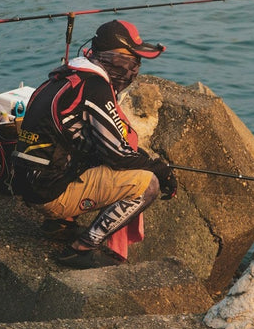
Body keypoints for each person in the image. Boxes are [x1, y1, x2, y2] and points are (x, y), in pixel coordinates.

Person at [12, 19, 177, 268]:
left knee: (98, 152)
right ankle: (81, 249)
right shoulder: (95, 87)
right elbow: (119, 155)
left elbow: (99, 143)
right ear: (111, 59)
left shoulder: (64, 76)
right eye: (130, 62)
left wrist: (144, 158)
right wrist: (159, 169)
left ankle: (60, 225)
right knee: (147, 184)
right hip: (49, 193)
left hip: (27, 182)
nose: (133, 70)